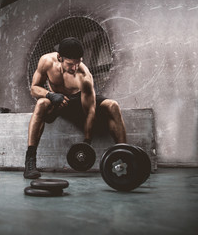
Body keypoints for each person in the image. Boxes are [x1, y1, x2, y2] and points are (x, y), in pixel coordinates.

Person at [24, 37, 127, 179]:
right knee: (41, 104)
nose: (74, 68)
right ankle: (30, 160)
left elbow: (90, 112)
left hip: (79, 102)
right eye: (70, 64)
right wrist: (50, 95)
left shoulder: (84, 77)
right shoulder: (46, 62)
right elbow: (34, 89)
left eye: (78, 63)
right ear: (60, 57)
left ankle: (124, 155)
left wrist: (86, 142)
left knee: (113, 106)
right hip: (58, 101)